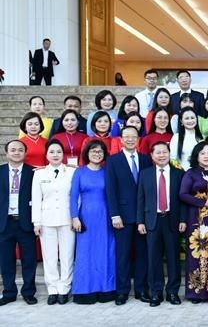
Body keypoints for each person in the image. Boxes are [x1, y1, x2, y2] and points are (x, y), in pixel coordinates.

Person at [105, 125, 152, 305]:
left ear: (138, 139)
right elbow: (111, 189)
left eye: (134, 136)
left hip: (143, 217)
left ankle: (141, 290)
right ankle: (122, 291)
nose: (130, 139)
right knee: (123, 255)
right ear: (121, 139)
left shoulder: (146, 160)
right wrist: (114, 215)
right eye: (127, 137)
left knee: (142, 255)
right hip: (122, 217)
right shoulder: (113, 161)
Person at [136, 142, 186, 307]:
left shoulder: (179, 174)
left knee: (173, 258)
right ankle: (156, 293)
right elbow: (140, 199)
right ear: (152, 155)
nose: (162, 155)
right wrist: (140, 221)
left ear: (169, 153)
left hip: (172, 220)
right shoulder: (145, 174)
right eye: (158, 152)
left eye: (164, 152)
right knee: (153, 258)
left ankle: (172, 292)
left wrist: (183, 220)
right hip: (152, 221)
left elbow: (183, 200)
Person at [70, 139, 116, 304]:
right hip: (86, 217)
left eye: (100, 151)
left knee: (106, 252)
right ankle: (84, 291)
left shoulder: (107, 171)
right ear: (87, 153)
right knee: (85, 253)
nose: (96, 154)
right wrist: (74, 217)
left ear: (104, 154)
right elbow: (73, 196)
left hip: (105, 217)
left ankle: (106, 289)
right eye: (93, 151)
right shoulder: (80, 172)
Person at [32, 139, 76, 304]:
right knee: (49, 257)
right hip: (46, 220)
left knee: (67, 256)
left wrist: (75, 217)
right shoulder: (39, 173)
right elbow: (36, 199)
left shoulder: (72, 172)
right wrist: (36, 222)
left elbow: (75, 198)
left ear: (63, 153)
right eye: (52, 152)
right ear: (46, 154)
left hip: (67, 219)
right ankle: (52, 289)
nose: (55, 155)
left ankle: (64, 289)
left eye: (58, 151)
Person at [178, 141, 208, 303]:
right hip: (197, 219)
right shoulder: (191, 173)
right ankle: (196, 292)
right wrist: (203, 202)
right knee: (197, 254)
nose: (206, 156)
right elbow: (183, 194)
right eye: (203, 153)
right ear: (197, 156)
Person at [0, 140, 37, 306]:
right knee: (6, 260)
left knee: (29, 259)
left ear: (25, 152)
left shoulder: (33, 172)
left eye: (20, 150)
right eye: (13, 150)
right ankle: (9, 292)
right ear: (6, 153)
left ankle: (29, 292)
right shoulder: (0, 171)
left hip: (25, 222)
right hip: (4, 223)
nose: (16, 153)